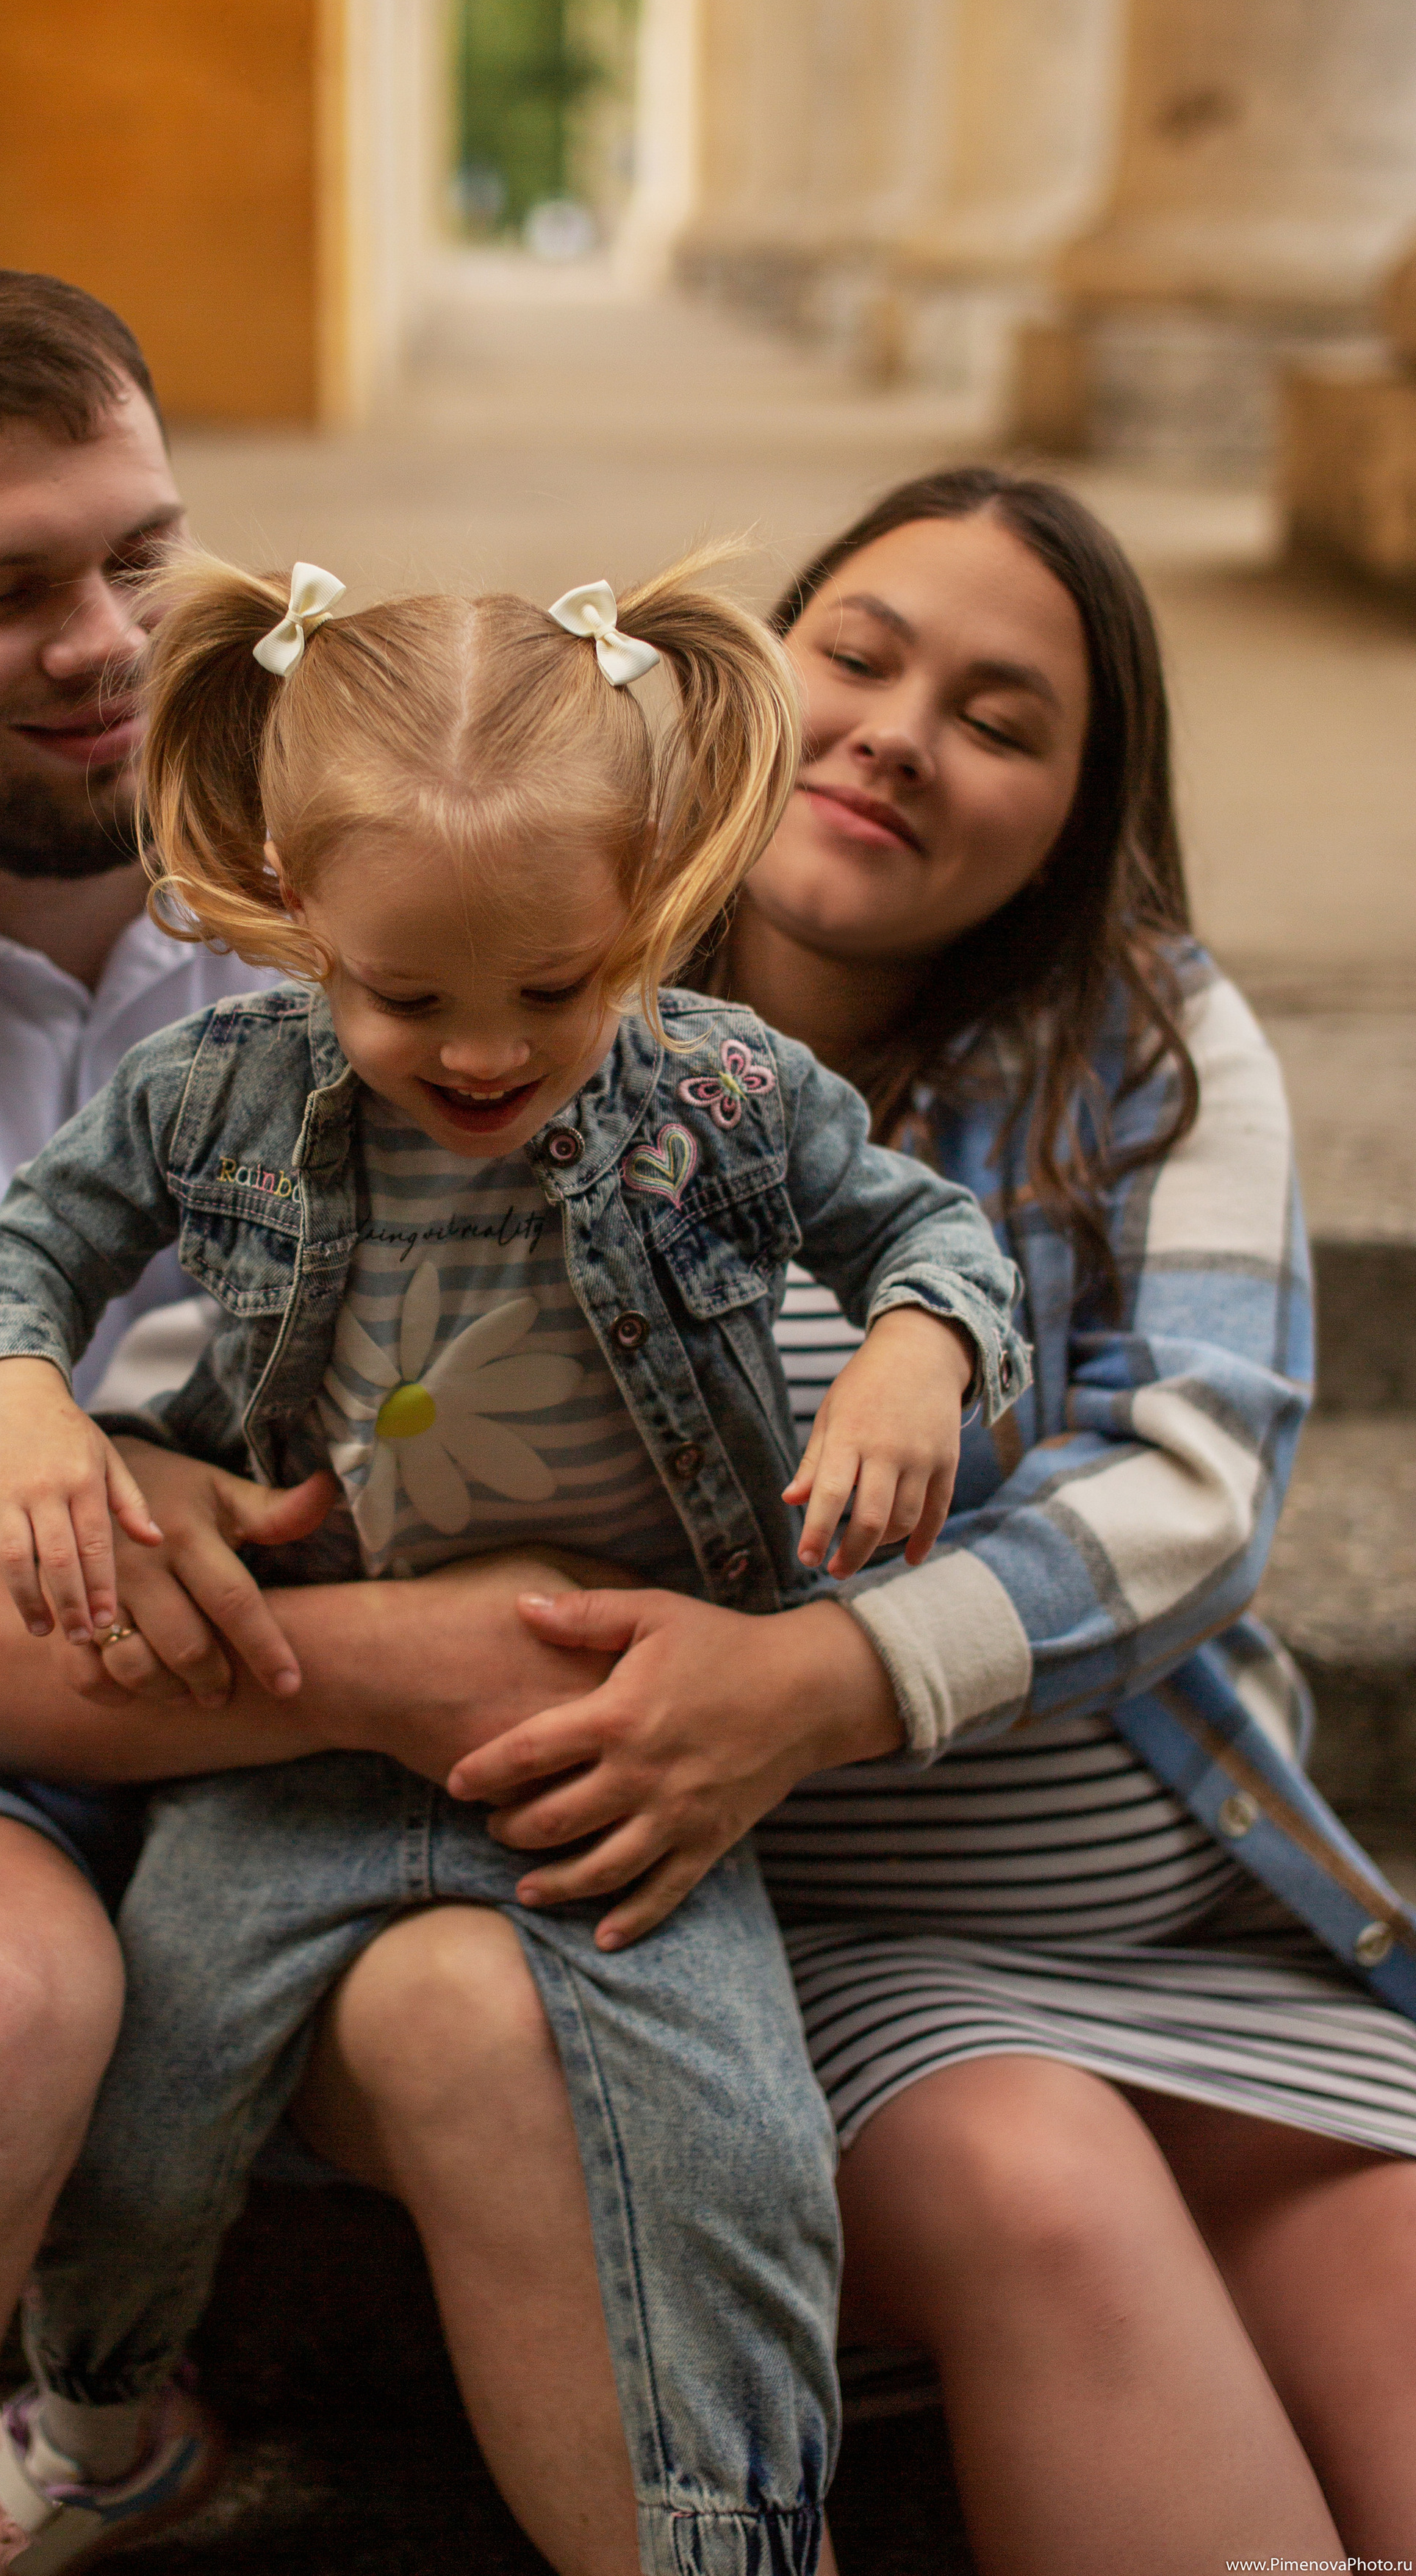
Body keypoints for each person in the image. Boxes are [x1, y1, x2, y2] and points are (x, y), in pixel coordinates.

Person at [0, 268, 636, 2576]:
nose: (102, 642)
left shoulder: (348, 872)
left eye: (140, 553)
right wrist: (416, 1664)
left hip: (277, 1717)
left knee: (516, 2027)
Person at [290, 469, 1416, 2573]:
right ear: (744, 686)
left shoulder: (1144, 1039)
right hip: (794, 1970)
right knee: (1038, 2174)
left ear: (1075, 812)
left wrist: (824, 1677)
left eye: (999, 720)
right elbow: (260, 1360)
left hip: (1192, 1948)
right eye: (862, 659)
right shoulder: (506, 985)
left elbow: (1196, 1482)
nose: (902, 734)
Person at [0, 542, 1029, 2576]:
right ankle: (96, 2419)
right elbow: (13, 1261)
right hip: (304, 1735)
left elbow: (928, 1235)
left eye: (555, 991)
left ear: (645, 896)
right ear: (292, 903)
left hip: (610, 1758)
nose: (485, 1053)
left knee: (741, 2154)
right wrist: (24, 1406)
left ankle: (739, 2540)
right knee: (147, 2111)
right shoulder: (216, 1095)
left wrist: (915, 1355)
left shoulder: (727, 1095)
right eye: (408, 998)